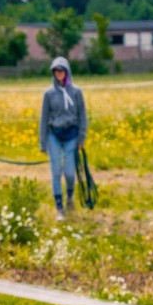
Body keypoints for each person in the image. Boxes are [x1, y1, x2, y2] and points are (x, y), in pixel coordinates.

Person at [38, 57, 87, 221]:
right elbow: (44, 118)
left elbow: (82, 115)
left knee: (69, 173)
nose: (58, 74)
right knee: (56, 172)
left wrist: (81, 137)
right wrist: (43, 142)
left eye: (61, 70)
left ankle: (70, 196)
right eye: (56, 71)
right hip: (54, 135)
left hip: (71, 135)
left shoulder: (76, 92)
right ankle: (59, 208)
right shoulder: (49, 94)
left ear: (66, 71)